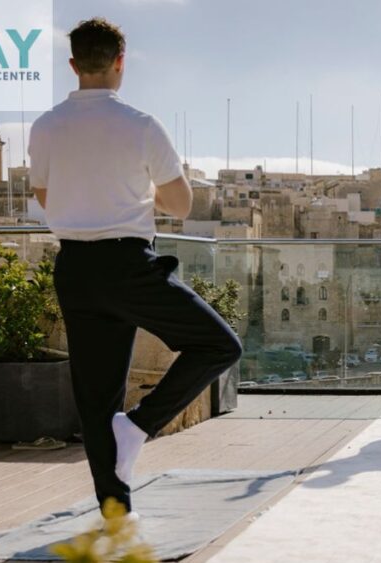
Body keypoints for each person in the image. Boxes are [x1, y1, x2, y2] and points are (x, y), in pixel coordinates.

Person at [28, 17, 242, 517]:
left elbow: (45, 194)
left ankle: (115, 510)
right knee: (219, 345)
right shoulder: (141, 125)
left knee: (96, 397)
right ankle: (140, 424)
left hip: (75, 267)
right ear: (120, 63)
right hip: (128, 264)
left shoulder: (45, 126)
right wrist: (142, 192)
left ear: (73, 64)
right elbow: (182, 206)